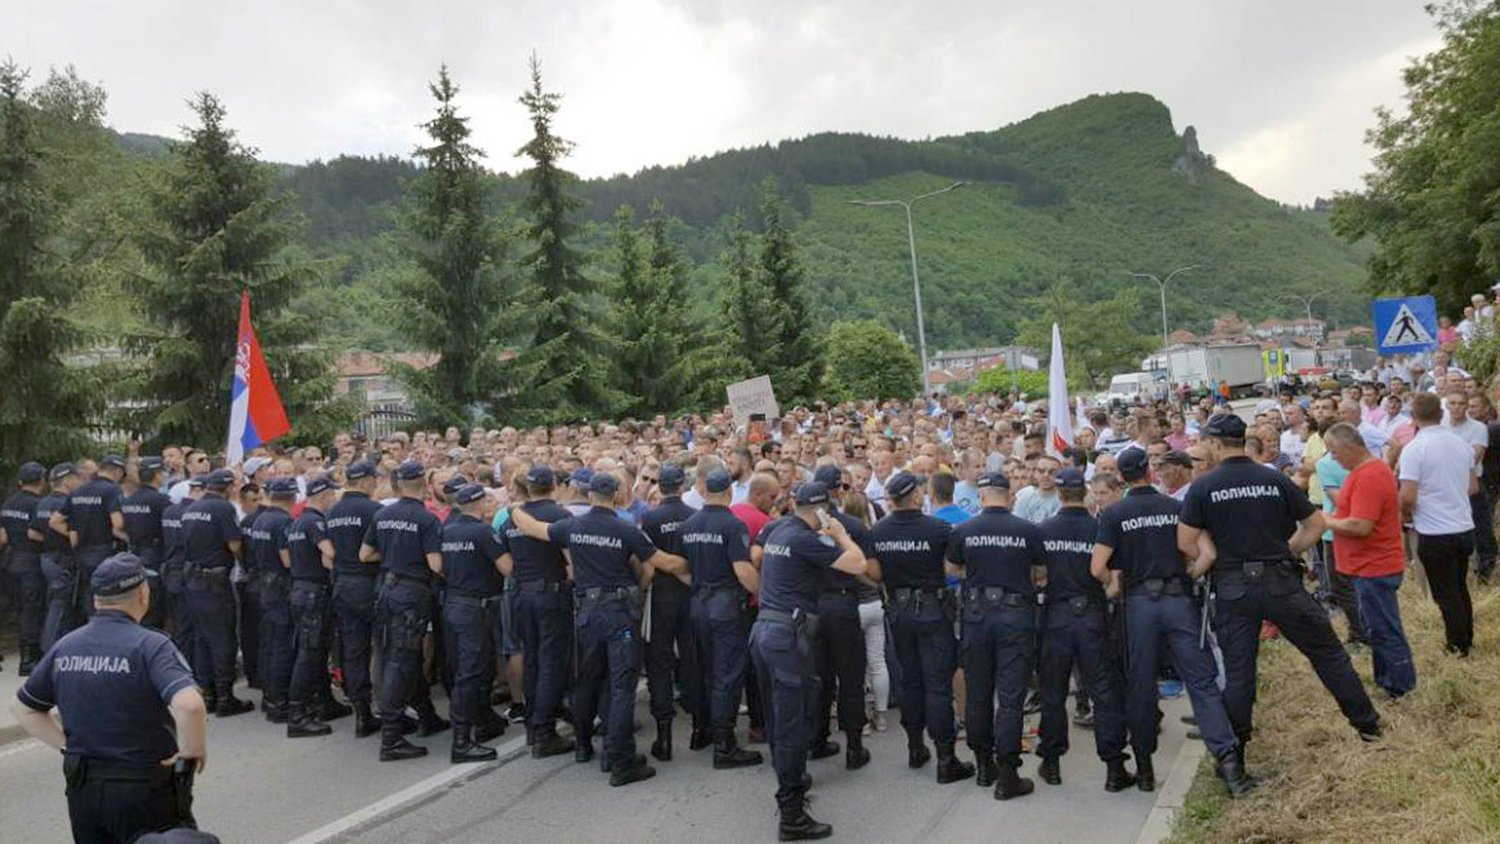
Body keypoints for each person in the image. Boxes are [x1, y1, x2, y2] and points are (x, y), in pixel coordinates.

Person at [1178, 414, 1382, 777]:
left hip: (1233, 588)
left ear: (1214, 443)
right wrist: (1288, 551)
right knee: (1328, 655)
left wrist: (1214, 554)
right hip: (1281, 582)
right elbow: (1315, 524)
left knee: (1240, 674)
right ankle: (1368, 727)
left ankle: (1234, 760)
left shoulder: (1203, 487)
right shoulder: (1273, 478)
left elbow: (1185, 542)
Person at [11, 553, 207, 844]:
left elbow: (23, 708)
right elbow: (190, 705)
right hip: (143, 787)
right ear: (143, 594)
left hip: (84, 788)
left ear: (96, 599)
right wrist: (192, 751)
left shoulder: (67, 645)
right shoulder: (151, 645)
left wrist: (68, 748)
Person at [510, 472, 688, 786]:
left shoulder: (573, 526)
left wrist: (515, 508)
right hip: (618, 613)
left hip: (586, 613)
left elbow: (534, 528)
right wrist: (695, 565)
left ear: (590, 495)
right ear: (617, 496)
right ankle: (620, 760)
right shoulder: (625, 529)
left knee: (586, 680)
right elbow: (665, 563)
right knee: (620, 687)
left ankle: (583, 746)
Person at [1093, 450, 1250, 796]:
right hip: (1178, 601)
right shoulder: (1175, 506)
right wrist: (1188, 576)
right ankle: (1229, 764)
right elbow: (1207, 554)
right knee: (1201, 681)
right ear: (1150, 472)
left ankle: (1145, 770)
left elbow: (1097, 567)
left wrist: (1114, 585)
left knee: (1141, 685)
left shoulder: (1114, 514)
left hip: (1137, 605)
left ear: (1121, 477)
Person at [749, 481, 867, 840]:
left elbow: (757, 558)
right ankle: (792, 814)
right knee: (792, 724)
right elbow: (858, 563)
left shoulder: (778, 528)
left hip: (766, 628)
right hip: (786, 635)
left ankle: (792, 782)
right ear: (820, 510)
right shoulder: (805, 538)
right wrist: (841, 534)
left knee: (779, 720)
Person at [868, 470, 975, 784]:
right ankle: (946, 759)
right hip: (932, 610)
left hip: (899, 611)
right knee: (938, 685)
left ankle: (915, 747)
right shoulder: (937, 528)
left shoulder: (879, 530)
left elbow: (873, 572)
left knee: (911, 682)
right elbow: (954, 566)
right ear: (916, 496)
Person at [945, 471, 1043, 800]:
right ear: (1009, 495)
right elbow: (1040, 572)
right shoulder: (1028, 530)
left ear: (982, 496)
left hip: (977, 615)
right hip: (1015, 615)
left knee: (978, 693)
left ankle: (984, 765)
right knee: (1011, 697)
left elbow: (952, 568)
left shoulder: (964, 530)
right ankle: (1008, 774)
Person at [1036, 468, 1133, 791]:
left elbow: (1038, 576)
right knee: (1103, 692)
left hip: (1056, 617)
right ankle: (1114, 767)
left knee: (1053, 693)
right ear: (1085, 493)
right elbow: (1114, 580)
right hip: (1092, 614)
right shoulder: (1099, 528)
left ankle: (1051, 763)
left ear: (1059, 494)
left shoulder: (1043, 530)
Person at [360, 460, 449, 762]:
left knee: (402, 656)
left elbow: (365, 554)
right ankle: (391, 738)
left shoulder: (382, 514)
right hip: (411, 593)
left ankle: (426, 714)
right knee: (401, 661)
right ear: (424, 485)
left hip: (385, 588)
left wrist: (394, 556)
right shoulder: (426, 518)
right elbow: (436, 564)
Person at [1323, 424, 1416, 698]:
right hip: (1366, 567)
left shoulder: (1371, 475)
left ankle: (1401, 687)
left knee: (1385, 629)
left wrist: (1325, 520)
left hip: (1375, 567)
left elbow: (1361, 526)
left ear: (1350, 446)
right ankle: (1386, 680)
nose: (1333, 458)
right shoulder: (1362, 472)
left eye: (1334, 452)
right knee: (1376, 629)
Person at [679, 467, 762, 769]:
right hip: (726, 605)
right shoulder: (732, 524)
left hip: (698, 602)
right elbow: (743, 570)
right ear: (729, 491)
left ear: (704, 490)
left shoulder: (689, 524)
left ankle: (704, 729)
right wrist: (763, 592)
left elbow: (682, 568)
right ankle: (724, 745)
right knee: (728, 674)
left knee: (705, 671)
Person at [496, 465, 575, 758]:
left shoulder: (511, 519)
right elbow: (572, 564)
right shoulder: (560, 516)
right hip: (550, 593)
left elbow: (507, 562)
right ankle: (544, 731)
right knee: (552, 662)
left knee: (532, 660)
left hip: (522, 594)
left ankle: (534, 725)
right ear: (553, 485)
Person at [803, 465, 874, 769]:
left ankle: (816, 739)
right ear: (835, 492)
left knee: (817, 677)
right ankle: (854, 746)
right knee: (851, 677)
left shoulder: (802, 527)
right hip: (842, 603)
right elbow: (870, 569)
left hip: (813, 606)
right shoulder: (851, 526)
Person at [1398, 393, 1478, 656]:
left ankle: (1457, 645)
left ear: (1414, 418)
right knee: (1459, 587)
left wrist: (1405, 514)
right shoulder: (1461, 444)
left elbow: (1407, 495)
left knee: (1445, 593)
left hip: (1435, 530)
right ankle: (1466, 637)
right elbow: (1472, 486)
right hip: (1463, 525)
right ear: (1442, 414)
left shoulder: (1414, 449)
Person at [439, 484, 507, 762]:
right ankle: (462, 741)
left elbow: (439, 567)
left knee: (468, 669)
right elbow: (507, 567)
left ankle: (483, 720)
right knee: (471, 673)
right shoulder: (483, 531)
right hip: (476, 608)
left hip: (453, 603)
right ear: (479, 504)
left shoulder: (447, 530)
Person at [181, 469, 254, 717]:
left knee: (202, 638)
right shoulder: (223, 508)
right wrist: (245, 563)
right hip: (214, 580)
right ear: (229, 488)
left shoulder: (192, 508)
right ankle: (225, 698)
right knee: (223, 638)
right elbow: (234, 544)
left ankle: (208, 695)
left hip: (193, 578)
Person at [639, 462, 699, 759]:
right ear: (682, 485)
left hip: (661, 595)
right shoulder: (693, 516)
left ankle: (664, 736)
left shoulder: (650, 518)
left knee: (659, 663)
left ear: (659, 487)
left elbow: (648, 563)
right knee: (693, 659)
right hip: (689, 594)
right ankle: (700, 726)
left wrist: (641, 588)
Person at [325, 460, 384, 737]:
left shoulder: (333, 511)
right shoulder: (374, 509)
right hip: (369, 583)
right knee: (386, 647)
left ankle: (362, 712)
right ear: (366, 480)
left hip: (343, 584)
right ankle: (390, 708)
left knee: (354, 650)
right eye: (374, 479)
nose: (376, 483)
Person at [285, 474, 339, 738]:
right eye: (332, 494)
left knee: (313, 651)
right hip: (314, 592)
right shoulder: (315, 522)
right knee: (309, 654)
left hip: (300, 589)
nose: (334, 499)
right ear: (324, 495)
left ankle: (323, 703)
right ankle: (297, 715)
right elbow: (329, 553)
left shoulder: (297, 522)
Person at [50, 457, 128, 621]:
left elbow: (55, 521)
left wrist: (73, 533)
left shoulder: (78, 491)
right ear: (117, 472)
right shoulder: (112, 490)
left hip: (82, 554)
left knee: (88, 598)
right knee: (106, 598)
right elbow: (118, 524)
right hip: (105, 553)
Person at [247, 478, 295, 725]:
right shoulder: (284, 522)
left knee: (269, 642)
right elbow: (287, 560)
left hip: (264, 583)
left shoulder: (260, 519)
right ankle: (279, 702)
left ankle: (269, 696)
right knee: (282, 646)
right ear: (292, 498)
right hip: (280, 585)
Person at [2, 461, 48, 673]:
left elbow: (2, 537)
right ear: (42, 481)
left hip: (9, 560)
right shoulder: (39, 504)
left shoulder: (9, 503)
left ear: (21, 481)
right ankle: (28, 658)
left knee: (12, 607)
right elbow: (35, 533)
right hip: (30, 560)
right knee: (31, 608)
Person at [1443, 391, 1494, 582]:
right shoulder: (1441, 427)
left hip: (1471, 484)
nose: (1456, 407)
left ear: (1466, 407)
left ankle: (1485, 572)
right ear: (1447, 405)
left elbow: (1474, 456)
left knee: (1481, 529)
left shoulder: (1478, 428)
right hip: (1446, 484)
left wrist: (1446, 457)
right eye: (1453, 403)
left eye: (1461, 404)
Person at [120, 458, 170, 630]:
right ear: (157, 475)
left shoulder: (128, 500)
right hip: (155, 556)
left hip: (133, 554)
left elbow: (120, 527)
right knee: (154, 607)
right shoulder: (161, 501)